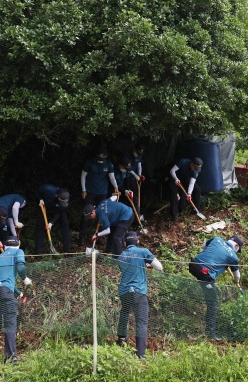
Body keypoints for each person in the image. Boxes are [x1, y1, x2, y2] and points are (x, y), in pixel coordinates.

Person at [116, 231, 163, 359]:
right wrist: (147, 264)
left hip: (124, 292)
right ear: (138, 241)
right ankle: (141, 354)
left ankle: (120, 344)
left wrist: (143, 264)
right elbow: (159, 267)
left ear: (124, 243)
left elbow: (128, 269)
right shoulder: (143, 252)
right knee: (141, 322)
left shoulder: (121, 256)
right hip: (139, 292)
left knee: (124, 315)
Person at [0, 236, 32, 363]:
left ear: (5, 246)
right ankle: (11, 357)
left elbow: (2, 280)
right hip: (4, 291)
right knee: (10, 321)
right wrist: (24, 278)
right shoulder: (18, 252)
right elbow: (21, 267)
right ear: (18, 245)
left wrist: (19, 293)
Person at [188, 235, 243, 340]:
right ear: (236, 246)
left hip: (193, 264)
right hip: (205, 273)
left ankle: (209, 331)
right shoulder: (233, 256)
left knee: (210, 295)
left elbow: (203, 246)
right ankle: (210, 332)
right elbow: (237, 276)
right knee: (213, 302)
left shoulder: (217, 239)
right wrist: (236, 281)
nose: (237, 252)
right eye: (238, 250)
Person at [79, 148, 119, 244]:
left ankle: (99, 236)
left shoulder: (108, 164)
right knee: (87, 212)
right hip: (90, 191)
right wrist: (83, 189)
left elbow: (112, 177)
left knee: (102, 213)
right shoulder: (89, 163)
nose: (101, 159)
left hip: (102, 192)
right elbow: (83, 176)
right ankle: (82, 237)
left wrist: (116, 187)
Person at [35, 185, 71, 254]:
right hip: (43, 206)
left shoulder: (67, 197)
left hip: (57, 209)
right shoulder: (48, 189)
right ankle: (39, 251)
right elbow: (37, 192)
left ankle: (67, 249)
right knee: (40, 226)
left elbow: (61, 210)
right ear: (57, 196)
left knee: (65, 223)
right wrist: (40, 199)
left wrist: (51, 223)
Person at [169, 157, 203, 221]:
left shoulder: (196, 172)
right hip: (175, 178)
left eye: (197, 169)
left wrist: (189, 194)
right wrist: (176, 179)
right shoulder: (183, 162)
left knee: (197, 189)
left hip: (185, 179)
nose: (195, 170)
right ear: (192, 164)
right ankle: (174, 215)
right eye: (195, 168)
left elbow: (192, 183)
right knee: (173, 193)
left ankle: (195, 210)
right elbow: (172, 170)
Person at [128, 144, 146, 219]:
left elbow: (139, 166)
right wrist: (135, 175)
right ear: (134, 149)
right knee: (132, 198)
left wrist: (139, 175)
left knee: (137, 197)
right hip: (128, 178)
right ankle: (134, 216)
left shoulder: (139, 156)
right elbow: (127, 168)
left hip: (135, 180)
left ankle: (137, 215)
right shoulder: (128, 155)